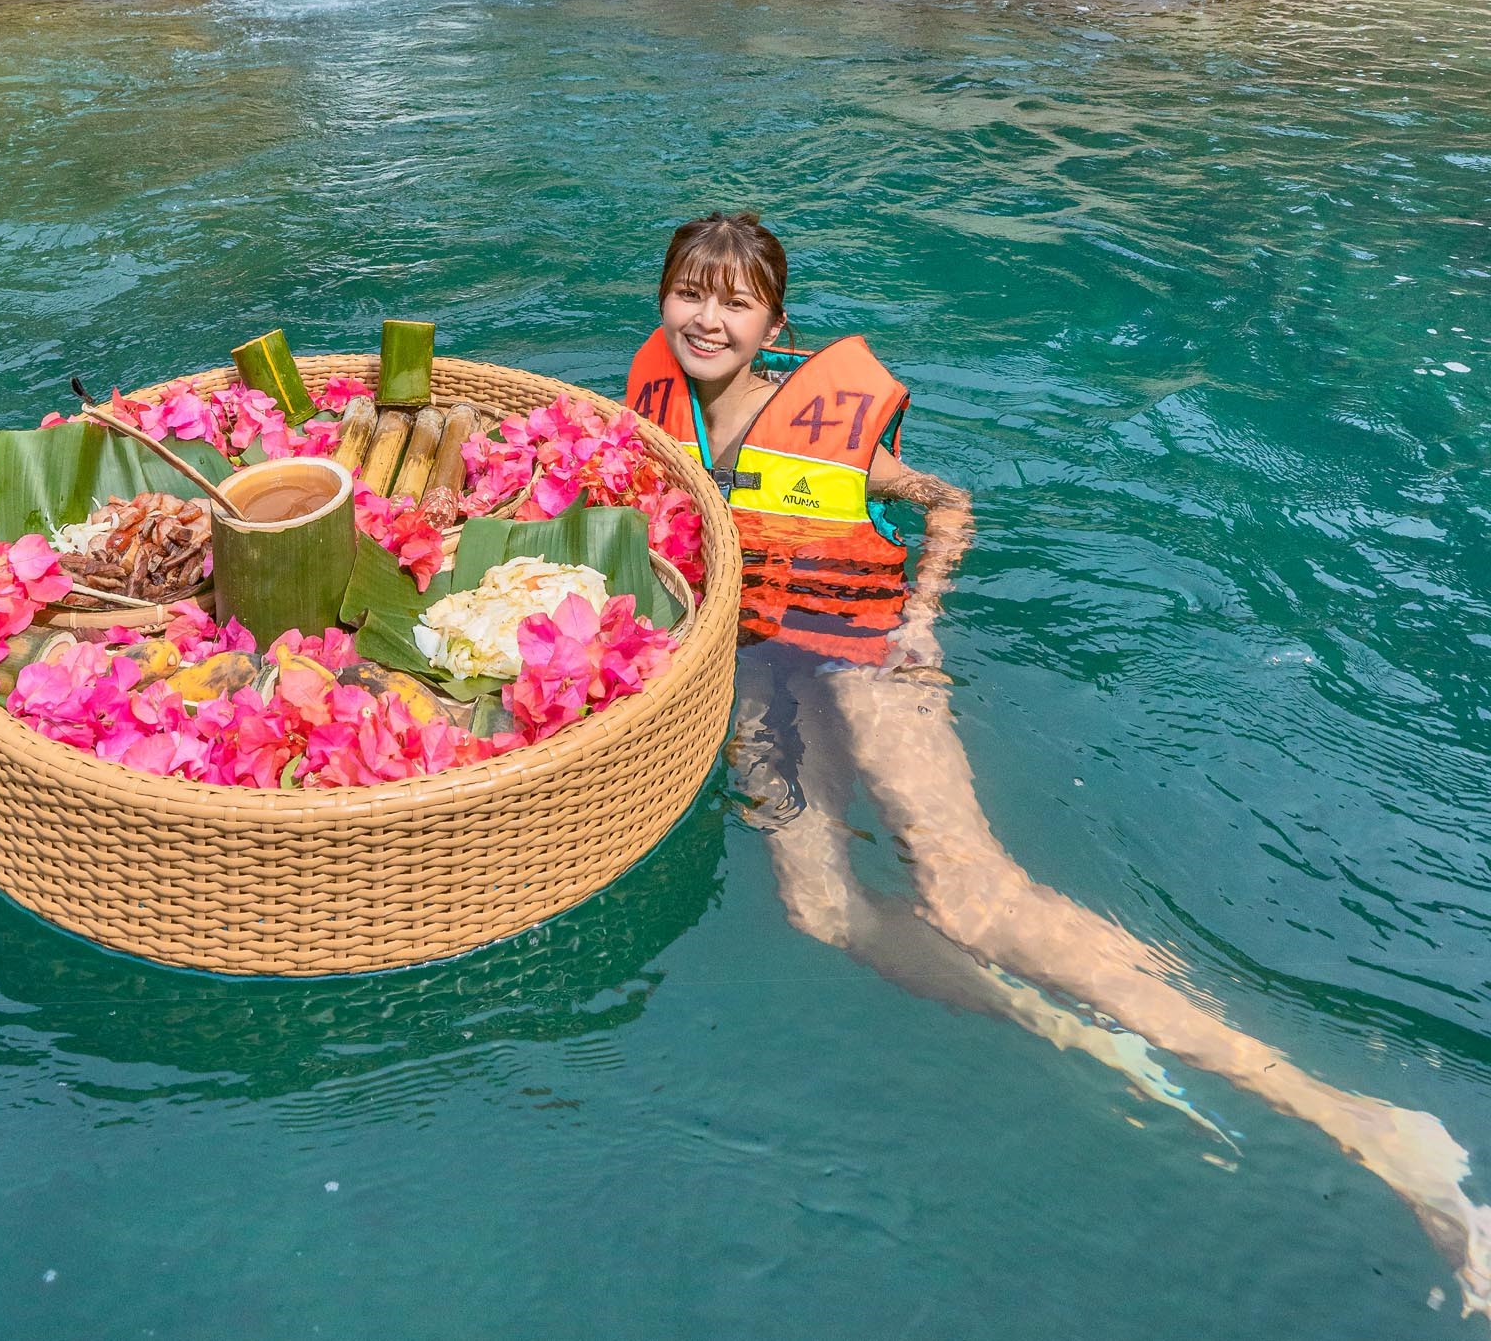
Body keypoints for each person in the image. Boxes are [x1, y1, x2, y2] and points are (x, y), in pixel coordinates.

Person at [629, 210, 1491, 1314]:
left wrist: (922, 619)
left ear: (771, 322)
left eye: (732, 301)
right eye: (688, 294)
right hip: (756, 668)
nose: (706, 317)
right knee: (818, 910)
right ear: (663, 300)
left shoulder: (821, 426)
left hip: (859, 654)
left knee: (964, 892)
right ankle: (1066, 1031)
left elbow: (946, 503)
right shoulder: (654, 405)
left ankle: (1358, 1121)